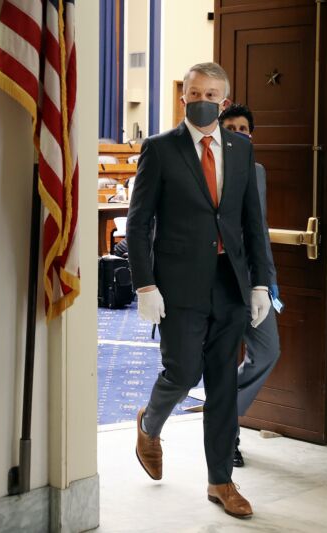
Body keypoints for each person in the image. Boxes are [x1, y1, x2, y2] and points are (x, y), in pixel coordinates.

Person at [126, 62, 271, 520]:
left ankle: (221, 482)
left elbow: (253, 223)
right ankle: (150, 423)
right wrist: (144, 283)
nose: (202, 99)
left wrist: (261, 281)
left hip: (230, 283)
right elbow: (138, 221)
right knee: (183, 372)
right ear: (183, 97)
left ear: (224, 101)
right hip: (179, 285)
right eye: (194, 92)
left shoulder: (241, 150)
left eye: (211, 93)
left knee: (223, 385)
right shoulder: (160, 149)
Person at [219, 103, 282, 468]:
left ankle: (220, 413)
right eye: (232, 127)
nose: (240, 133)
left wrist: (270, 283)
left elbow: (260, 232)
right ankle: (227, 438)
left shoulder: (257, 171)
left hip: (256, 283)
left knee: (268, 350)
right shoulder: (206, 172)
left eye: (245, 128)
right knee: (223, 361)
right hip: (220, 281)